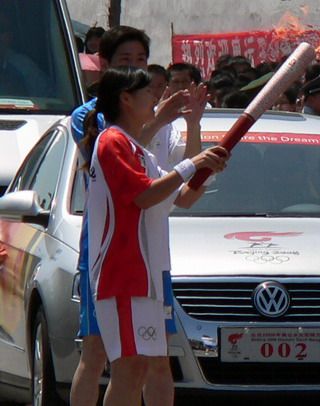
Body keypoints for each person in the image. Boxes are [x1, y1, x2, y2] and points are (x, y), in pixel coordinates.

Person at [70, 25, 200, 406]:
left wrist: (196, 140)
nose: (138, 69)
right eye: (127, 61)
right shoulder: (99, 126)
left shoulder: (148, 135)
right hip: (117, 261)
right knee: (102, 355)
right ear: (109, 67)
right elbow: (138, 190)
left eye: (141, 60)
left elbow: (176, 193)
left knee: (149, 364)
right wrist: (187, 160)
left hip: (150, 263)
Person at [84, 67, 228, 406]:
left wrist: (202, 153)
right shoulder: (112, 142)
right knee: (128, 369)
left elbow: (185, 197)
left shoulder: (141, 153)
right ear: (125, 98)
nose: (155, 99)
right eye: (148, 92)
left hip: (146, 277)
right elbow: (143, 196)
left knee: (140, 368)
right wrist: (192, 165)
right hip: (121, 275)